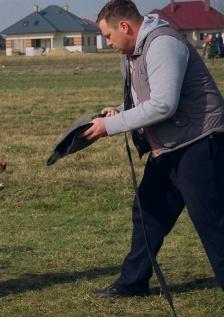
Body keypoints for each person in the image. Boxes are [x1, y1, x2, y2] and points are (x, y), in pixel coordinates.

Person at [81, 0, 224, 297]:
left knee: (212, 223)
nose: (107, 43)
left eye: (108, 36)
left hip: (199, 144)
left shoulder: (163, 45)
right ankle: (132, 283)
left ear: (124, 26)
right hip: (169, 147)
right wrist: (118, 112)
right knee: (148, 212)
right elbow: (147, 99)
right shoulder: (132, 54)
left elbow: (163, 105)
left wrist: (112, 127)